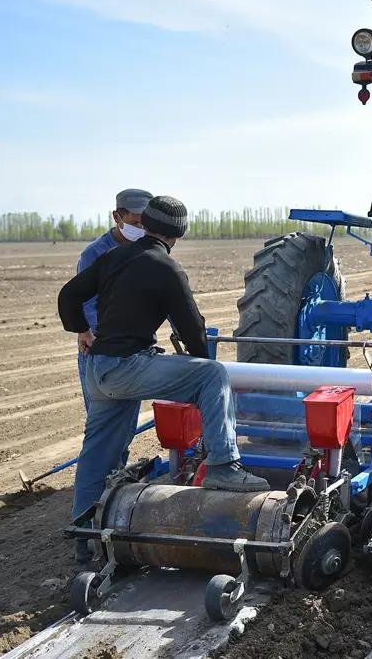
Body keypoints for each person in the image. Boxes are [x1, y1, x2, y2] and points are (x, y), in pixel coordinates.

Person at [58, 195, 269, 562]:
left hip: (98, 369)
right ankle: (223, 466)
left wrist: (81, 330)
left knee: (98, 452)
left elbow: (68, 296)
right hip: (128, 366)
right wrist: (202, 369)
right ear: (178, 234)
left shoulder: (113, 257)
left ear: (146, 225)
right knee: (213, 375)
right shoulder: (166, 268)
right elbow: (192, 329)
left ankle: (85, 534)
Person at [76, 189, 152, 416]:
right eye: (135, 223)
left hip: (133, 349)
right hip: (100, 348)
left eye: (145, 224)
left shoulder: (148, 250)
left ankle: (121, 451)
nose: (140, 230)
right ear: (117, 217)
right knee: (100, 420)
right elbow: (87, 303)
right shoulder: (94, 254)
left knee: (126, 419)